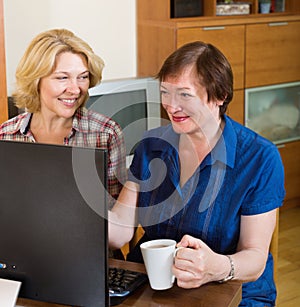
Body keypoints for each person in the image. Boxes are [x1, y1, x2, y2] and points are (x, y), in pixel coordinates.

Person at [108, 41, 285, 306]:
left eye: (184, 95)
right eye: (165, 92)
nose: (171, 105)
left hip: (231, 291)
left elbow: (256, 258)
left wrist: (219, 267)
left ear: (220, 95)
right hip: (154, 286)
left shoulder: (259, 158)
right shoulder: (151, 146)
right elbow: (120, 231)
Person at [0, 28, 127, 211]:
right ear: (36, 81)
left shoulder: (106, 133)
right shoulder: (6, 134)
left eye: (82, 77)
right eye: (62, 78)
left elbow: (116, 215)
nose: (75, 89)